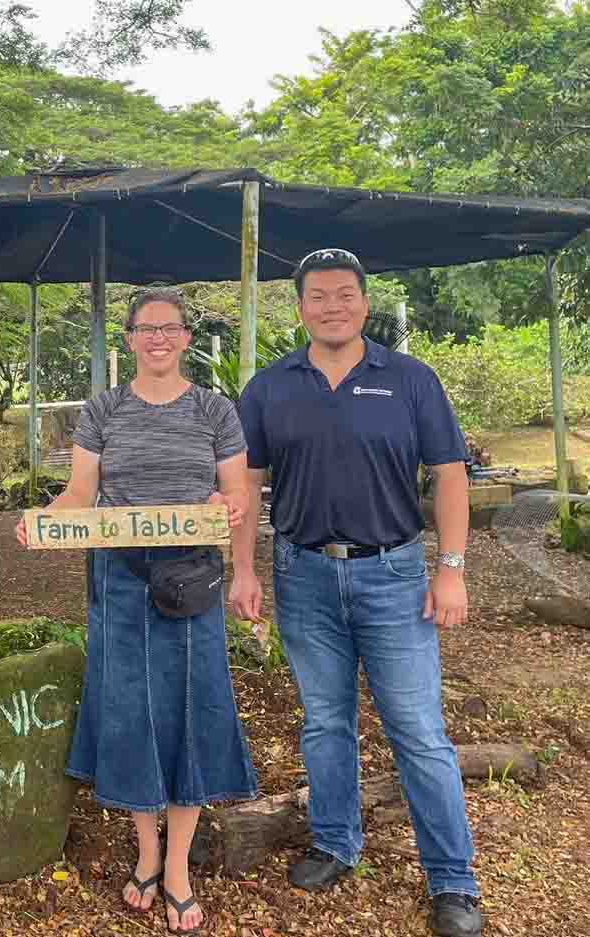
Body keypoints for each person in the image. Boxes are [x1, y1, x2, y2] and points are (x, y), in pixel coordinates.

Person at [229, 248, 482, 937]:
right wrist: (242, 568)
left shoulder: (408, 379)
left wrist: (451, 566)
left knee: (418, 731)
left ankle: (452, 879)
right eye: (317, 295)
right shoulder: (269, 386)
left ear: (363, 303)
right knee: (324, 722)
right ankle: (336, 843)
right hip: (302, 573)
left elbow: (450, 473)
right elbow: (245, 484)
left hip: (393, 576)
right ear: (300, 306)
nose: (331, 306)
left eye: (344, 294)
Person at [16, 288, 256, 935]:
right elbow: (78, 493)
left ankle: (176, 865)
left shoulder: (214, 409)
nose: (157, 338)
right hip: (118, 582)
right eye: (144, 328)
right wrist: (45, 519)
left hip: (191, 582)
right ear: (128, 339)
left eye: (168, 328)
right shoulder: (103, 409)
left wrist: (234, 527)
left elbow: (236, 492)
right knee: (129, 712)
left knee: (185, 713)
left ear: (185, 338)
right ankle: (143, 849)